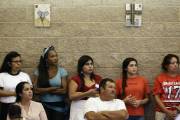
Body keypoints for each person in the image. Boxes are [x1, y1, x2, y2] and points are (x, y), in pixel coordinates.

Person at [33, 46, 68, 120]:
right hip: (43, 105)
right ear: (46, 59)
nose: (55, 58)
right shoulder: (39, 71)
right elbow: (35, 90)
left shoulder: (62, 71)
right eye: (52, 56)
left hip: (59, 106)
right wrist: (51, 89)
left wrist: (43, 90)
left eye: (56, 56)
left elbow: (64, 91)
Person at [0, 51, 32, 120]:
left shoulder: (25, 76)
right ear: (9, 63)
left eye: (20, 61)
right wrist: (16, 93)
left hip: (23, 106)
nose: (19, 63)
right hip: (7, 107)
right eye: (16, 61)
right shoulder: (2, 76)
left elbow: (30, 90)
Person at [69, 55, 102, 120]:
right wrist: (87, 93)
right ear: (81, 67)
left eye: (91, 64)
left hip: (94, 108)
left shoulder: (98, 78)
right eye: (87, 64)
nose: (90, 66)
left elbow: (103, 94)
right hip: (78, 109)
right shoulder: (75, 79)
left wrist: (80, 94)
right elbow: (71, 96)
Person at [153, 54, 180, 120]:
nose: (175, 65)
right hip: (161, 112)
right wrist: (166, 111)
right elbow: (156, 96)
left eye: (177, 62)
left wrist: (177, 110)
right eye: (173, 63)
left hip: (178, 113)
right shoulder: (159, 78)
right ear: (166, 65)